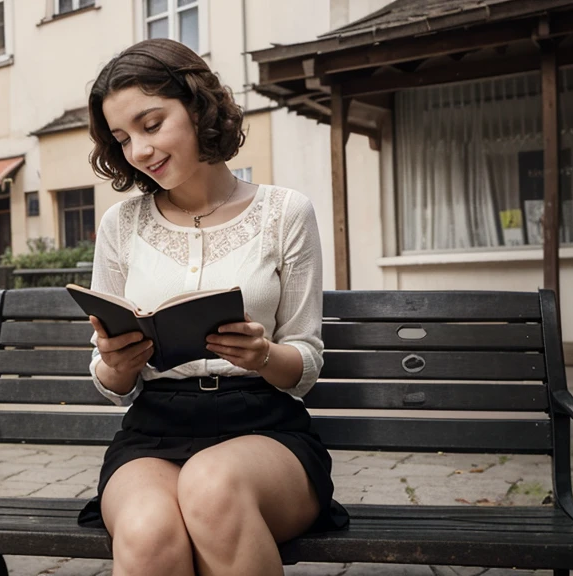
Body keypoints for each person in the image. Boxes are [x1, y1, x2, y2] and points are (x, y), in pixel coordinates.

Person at [77, 39, 348, 576]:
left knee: (210, 486)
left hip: (266, 429)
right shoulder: (120, 225)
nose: (139, 152)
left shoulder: (285, 213)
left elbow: (306, 364)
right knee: (148, 529)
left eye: (151, 125)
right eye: (123, 138)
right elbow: (110, 382)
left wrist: (262, 354)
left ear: (199, 106)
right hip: (152, 432)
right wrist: (116, 365)